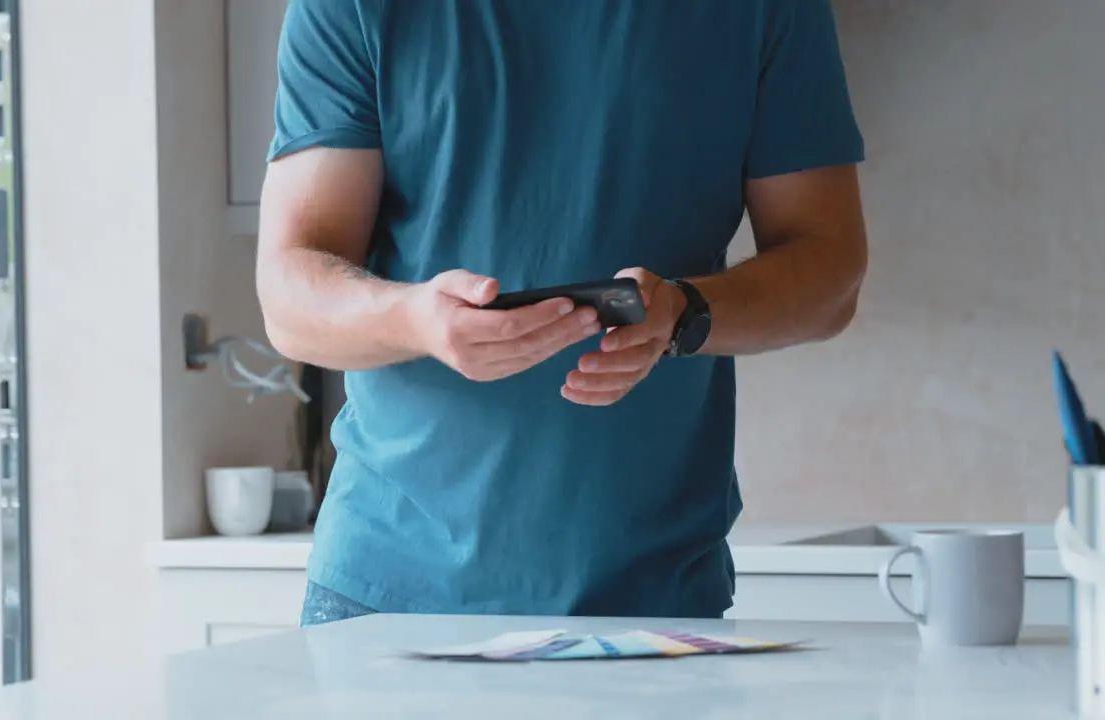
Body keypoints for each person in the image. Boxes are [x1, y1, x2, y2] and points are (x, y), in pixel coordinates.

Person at [256, 0, 868, 626]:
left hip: (653, 601)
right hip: (385, 597)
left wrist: (687, 312)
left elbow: (829, 272)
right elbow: (290, 297)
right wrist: (414, 319)